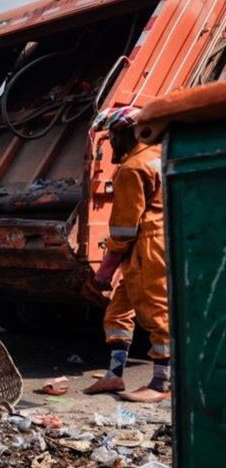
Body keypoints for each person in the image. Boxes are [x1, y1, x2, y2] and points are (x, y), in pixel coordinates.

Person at [84, 106, 170, 403]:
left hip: (147, 247)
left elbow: (123, 231)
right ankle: (114, 375)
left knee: (157, 314)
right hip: (150, 246)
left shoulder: (132, 169)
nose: (110, 146)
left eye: (112, 138)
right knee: (119, 310)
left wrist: (103, 274)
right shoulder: (157, 157)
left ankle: (161, 383)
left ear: (126, 134)